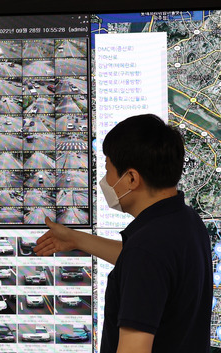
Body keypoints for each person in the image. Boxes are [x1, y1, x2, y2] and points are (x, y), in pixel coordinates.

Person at [34, 114, 212, 352]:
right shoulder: (186, 221)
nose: (105, 180)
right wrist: (76, 239)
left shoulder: (147, 251)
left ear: (131, 178)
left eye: (108, 169)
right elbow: (151, 266)